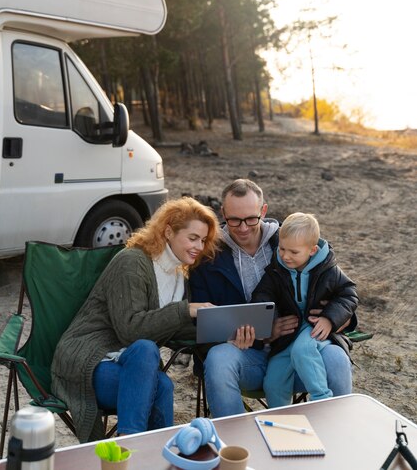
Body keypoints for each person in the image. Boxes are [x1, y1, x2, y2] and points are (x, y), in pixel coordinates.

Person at [51, 197, 220, 443]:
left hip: (133, 365)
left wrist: (222, 329)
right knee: (145, 349)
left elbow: (176, 327)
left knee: (160, 380)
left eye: (203, 240)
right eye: (193, 238)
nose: (199, 246)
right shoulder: (133, 262)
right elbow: (131, 330)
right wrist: (186, 309)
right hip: (88, 361)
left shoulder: (179, 275)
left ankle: (137, 452)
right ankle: (136, 449)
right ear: (169, 231)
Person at [189, 179, 357, 417]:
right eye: (234, 220)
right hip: (247, 356)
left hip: (300, 352)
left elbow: (338, 291)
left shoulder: (291, 240)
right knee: (218, 358)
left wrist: (338, 319)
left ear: (263, 211)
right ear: (223, 213)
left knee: (336, 358)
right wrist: (254, 330)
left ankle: (338, 434)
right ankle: (236, 446)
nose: (244, 227)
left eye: (251, 218)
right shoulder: (207, 259)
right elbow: (200, 326)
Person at [252, 212, 358, 408]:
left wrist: (329, 318)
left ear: (312, 250)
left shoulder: (328, 269)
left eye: (293, 252)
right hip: (287, 335)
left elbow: (348, 295)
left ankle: (321, 400)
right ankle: (283, 423)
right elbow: (262, 296)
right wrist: (269, 320)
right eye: (282, 249)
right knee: (273, 381)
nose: (285, 256)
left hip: (313, 327)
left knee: (303, 350)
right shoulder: (276, 270)